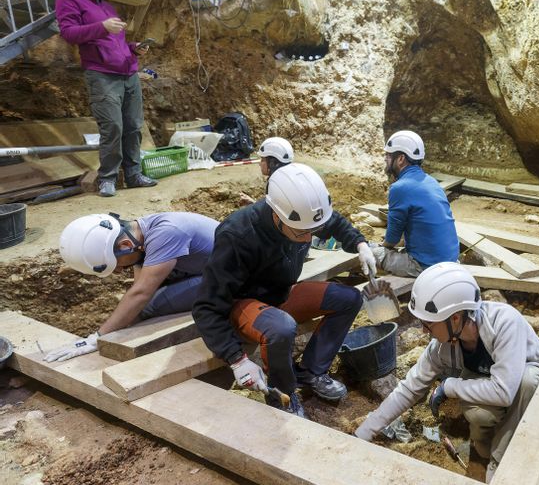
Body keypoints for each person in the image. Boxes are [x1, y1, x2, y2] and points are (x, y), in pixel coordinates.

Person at [192, 163, 378, 417]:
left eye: (311, 232)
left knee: (349, 298)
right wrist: (237, 359)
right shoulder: (238, 235)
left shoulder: (301, 216)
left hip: (280, 293)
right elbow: (206, 307)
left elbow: (332, 222)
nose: (307, 239)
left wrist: (360, 243)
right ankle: (284, 397)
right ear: (277, 215)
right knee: (281, 328)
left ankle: (310, 372)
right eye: (300, 233)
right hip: (243, 305)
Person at [355, 262, 539, 480]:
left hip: (534, 388)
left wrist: (450, 386)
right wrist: (365, 431)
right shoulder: (443, 345)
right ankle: (483, 449)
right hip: (495, 383)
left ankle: (500, 462)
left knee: (528, 382)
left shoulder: (505, 322)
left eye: (428, 324)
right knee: (479, 414)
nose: (423, 330)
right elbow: (409, 389)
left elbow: (504, 392)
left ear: (455, 318)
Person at [44, 212, 219, 362]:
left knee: (149, 307)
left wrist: (94, 339)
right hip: (207, 268)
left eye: (116, 264)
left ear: (126, 246)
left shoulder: (166, 233)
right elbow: (138, 287)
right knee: (141, 307)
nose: (119, 271)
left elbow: (141, 294)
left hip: (235, 277)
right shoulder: (140, 235)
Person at [56, 0, 157, 197]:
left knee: (133, 126)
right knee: (112, 126)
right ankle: (108, 178)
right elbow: (68, 32)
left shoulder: (106, 5)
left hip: (128, 73)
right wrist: (102, 27)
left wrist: (133, 48)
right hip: (102, 74)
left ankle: (133, 175)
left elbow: (115, 45)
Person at [372, 130, 459, 277]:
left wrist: (382, 247)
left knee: (370, 252)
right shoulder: (431, 182)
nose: (385, 159)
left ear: (400, 159)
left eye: (388, 155)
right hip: (450, 260)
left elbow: (392, 239)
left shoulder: (400, 188)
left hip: (426, 266)